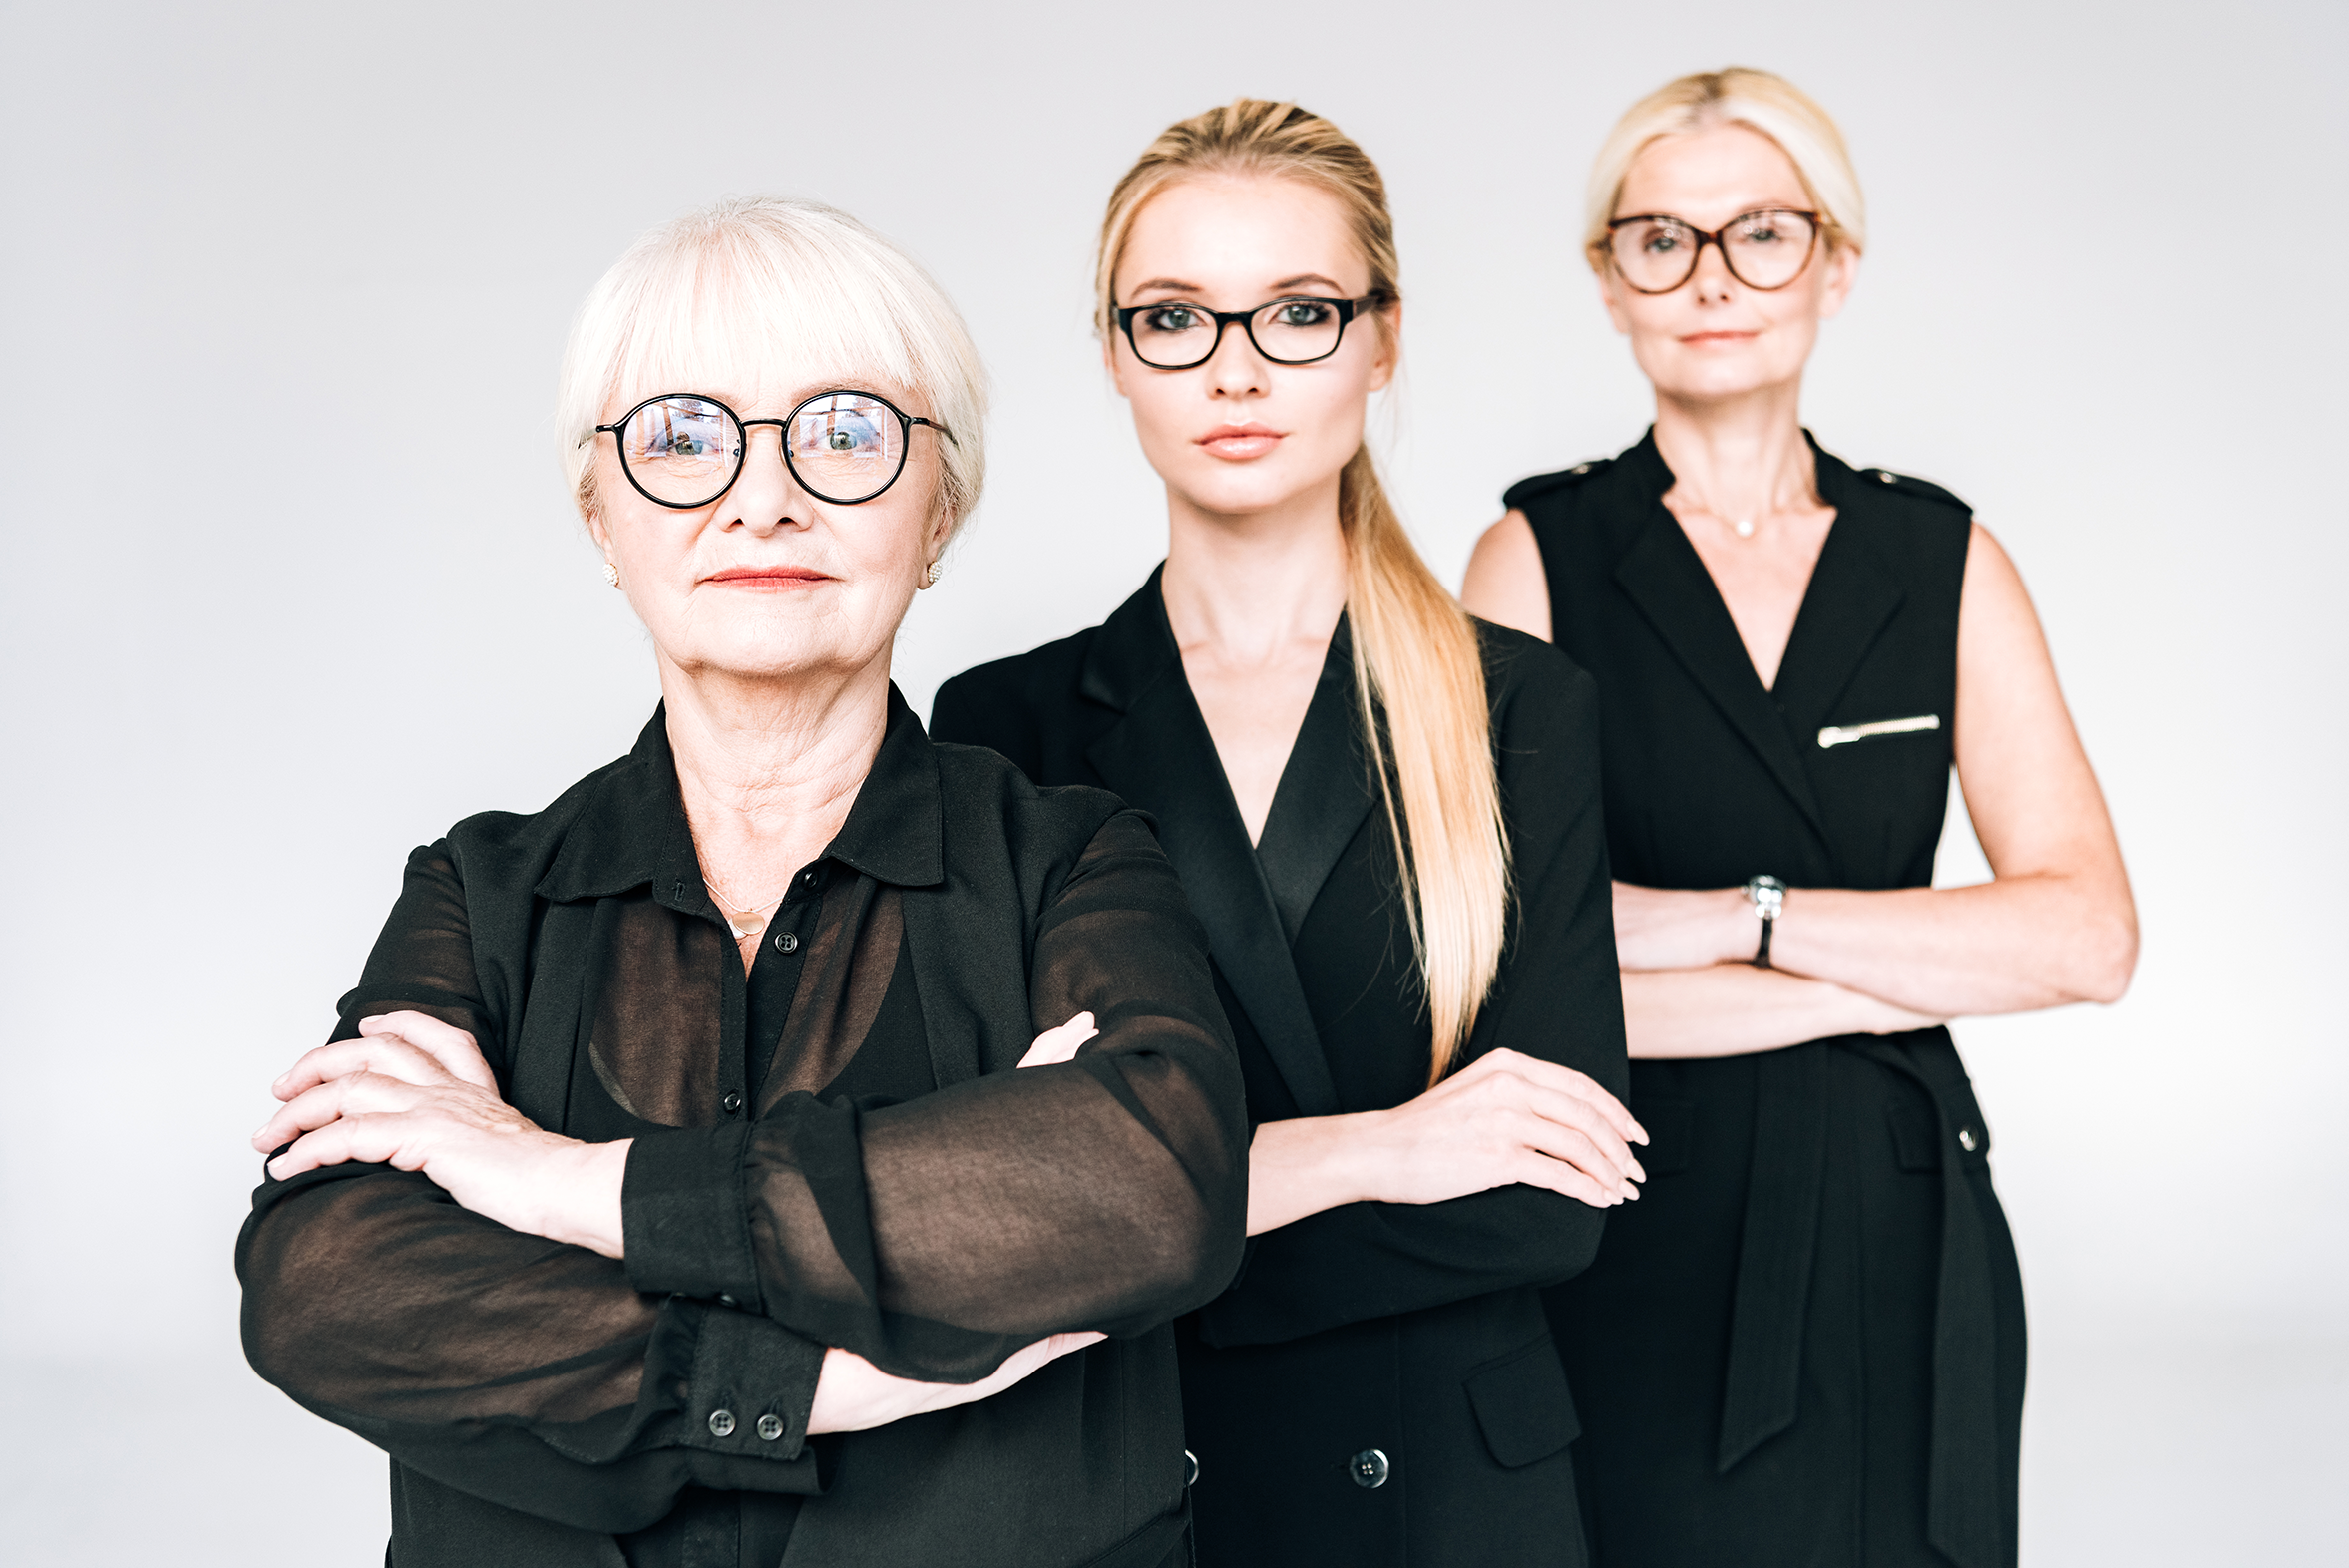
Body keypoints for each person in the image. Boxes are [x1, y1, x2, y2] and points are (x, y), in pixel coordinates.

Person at [236, 196, 1251, 1568]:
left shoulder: (1071, 854)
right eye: (681, 438)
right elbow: (326, 1282)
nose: (761, 496)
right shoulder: (480, 890)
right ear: (602, 519)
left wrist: (562, 1187)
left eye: (843, 432)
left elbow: (1146, 1187)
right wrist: (821, 1389)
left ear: (939, 512)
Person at [932, 101, 1641, 1568]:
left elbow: (1545, 1208)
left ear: (1382, 342)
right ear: (1115, 353)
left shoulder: (1520, 708)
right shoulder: (1005, 726)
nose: (1236, 367)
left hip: (1451, 1494)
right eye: (1177, 317)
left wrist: (1151, 1220)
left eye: (1299, 313)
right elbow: (996, 1199)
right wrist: (1388, 1147)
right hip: (1140, 1476)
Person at [1460, 68, 2139, 1568]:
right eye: (1661, 239)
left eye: (1760, 233)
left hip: (1904, 1221)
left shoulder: (1940, 554)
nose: (1712, 280)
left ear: (1834, 262)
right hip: (1626, 1208)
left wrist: (1730, 925)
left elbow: (2084, 938)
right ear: (1605, 276)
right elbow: (1506, 979)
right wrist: (1888, 977)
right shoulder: (1534, 557)